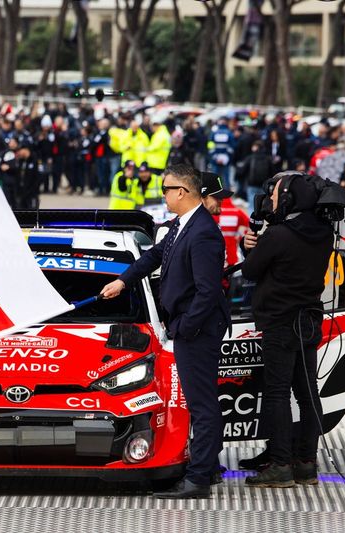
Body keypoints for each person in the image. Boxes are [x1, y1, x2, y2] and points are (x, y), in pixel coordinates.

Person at [101, 164, 229, 499]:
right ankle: (205, 470)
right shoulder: (182, 224)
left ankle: (198, 479)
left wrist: (185, 327)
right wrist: (123, 281)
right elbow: (155, 256)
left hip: (197, 329)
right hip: (190, 326)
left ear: (182, 192)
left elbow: (208, 291)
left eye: (166, 190)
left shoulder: (202, 232)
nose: (163, 196)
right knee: (201, 401)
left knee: (201, 404)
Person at [240, 173, 334, 488]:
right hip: (308, 320)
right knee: (308, 394)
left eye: (276, 196)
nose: (271, 201)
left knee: (277, 394)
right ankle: (306, 463)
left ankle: (280, 465)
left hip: (280, 323)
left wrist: (249, 245)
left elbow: (250, 270)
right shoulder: (324, 232)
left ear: (290, 200)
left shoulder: (278, 235)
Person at [200, 172, 249, 267]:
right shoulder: (237, 212)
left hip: (225, 263)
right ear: (202, 197)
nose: (221, 200)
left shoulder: (210, 219)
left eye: (222, 197)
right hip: (230, 259)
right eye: (217, 197)